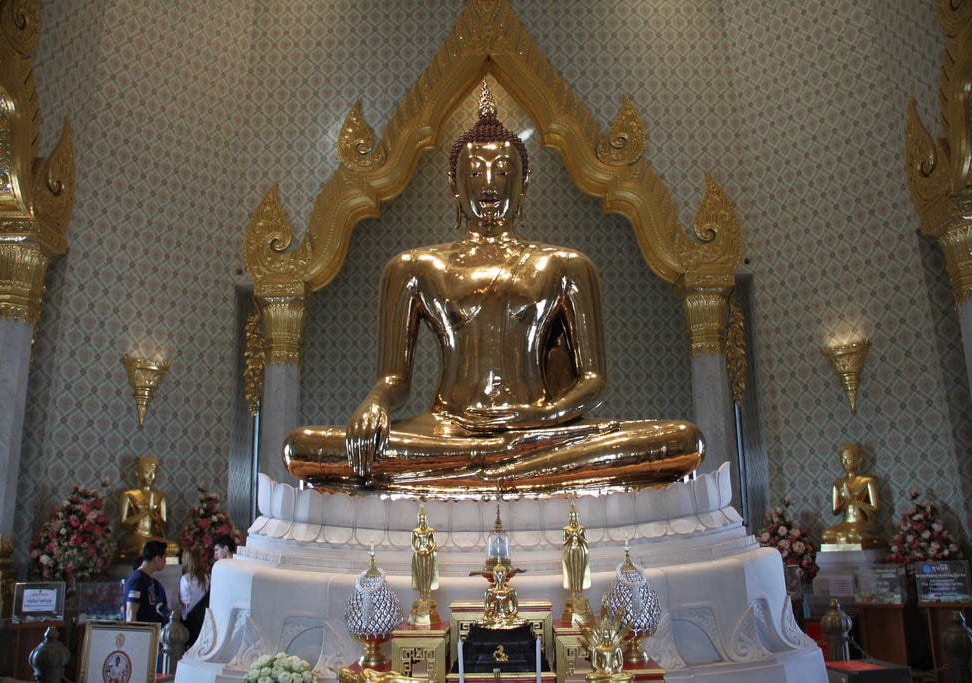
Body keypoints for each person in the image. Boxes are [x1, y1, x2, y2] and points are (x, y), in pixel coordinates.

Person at [284, 82, 704, 498]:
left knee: (683, 440)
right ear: (454, 184)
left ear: (523, 184)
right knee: (303, 448)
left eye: (503, 172)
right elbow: (395, 380)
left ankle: (480, 470)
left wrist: (538, 417)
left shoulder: (565, 265)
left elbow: (592, 380)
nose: (489, 185)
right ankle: (506, 469)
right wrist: (374, 403)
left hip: (539, 428)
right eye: (474, 173)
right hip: (448, 429)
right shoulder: (414, 267)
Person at [821, 443, 882, 547]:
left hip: (862, 522)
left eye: (848, 459)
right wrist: (846, 502)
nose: (845, 463)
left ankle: (874, 539)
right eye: (842, 460)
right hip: (846, 523)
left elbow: (875, 508)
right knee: (826, 535)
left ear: (859, 460)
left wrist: (857, 503)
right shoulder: (838, 484)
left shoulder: (867, 481)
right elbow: (835, 511)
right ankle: (854, 537)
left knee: (853, 535)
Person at [119, 456, 178, 561]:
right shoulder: (128, 495)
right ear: (137, 473)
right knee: (144, 548)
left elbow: (164, 526)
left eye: (153, 472)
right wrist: (145, 513)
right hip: (136, 535)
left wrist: (156, 517)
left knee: (175, 548)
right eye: (147, 472)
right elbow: (123, 523)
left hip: (153, 536)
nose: (151, 476)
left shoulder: (161, 496)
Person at [123, 540, 168, 624]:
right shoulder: (138, 580)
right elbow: (130, 613)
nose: (165, 561)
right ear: (157, 559)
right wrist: (133, 632)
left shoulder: (147, 579)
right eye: (164, 558)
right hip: (140, 631)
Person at [561, 500, 592, 625]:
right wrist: (571, 535)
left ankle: (580, 593)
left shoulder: (581, 529)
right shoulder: (566, 529)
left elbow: (587, 542)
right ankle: (574, 593)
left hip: (580, 552)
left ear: (577, 517)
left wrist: (579, 536)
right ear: (569, 518)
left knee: (579, 572)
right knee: (572, 573)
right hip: (570, 552)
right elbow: (564, 542)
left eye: (575, 517)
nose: (573, 519)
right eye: (571, 517)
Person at [409, 504, 439, 625]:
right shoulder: (415, 531)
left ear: (426, 519)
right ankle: (422, 595)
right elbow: (412, 544)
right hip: (419, 554)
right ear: (418, 519)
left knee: (428, 574)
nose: (422, 521)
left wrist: (429, 550)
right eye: (420, 519)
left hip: (428, 554)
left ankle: (428, 594)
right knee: (420, 575)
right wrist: (418, 551)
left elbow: (434, 543)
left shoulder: (430, 531)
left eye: (424, 519)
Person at [179, 546, 210, 648]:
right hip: (203, 617)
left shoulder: (186, 579)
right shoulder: (207, 577)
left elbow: (186, 602)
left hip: (189, 618)